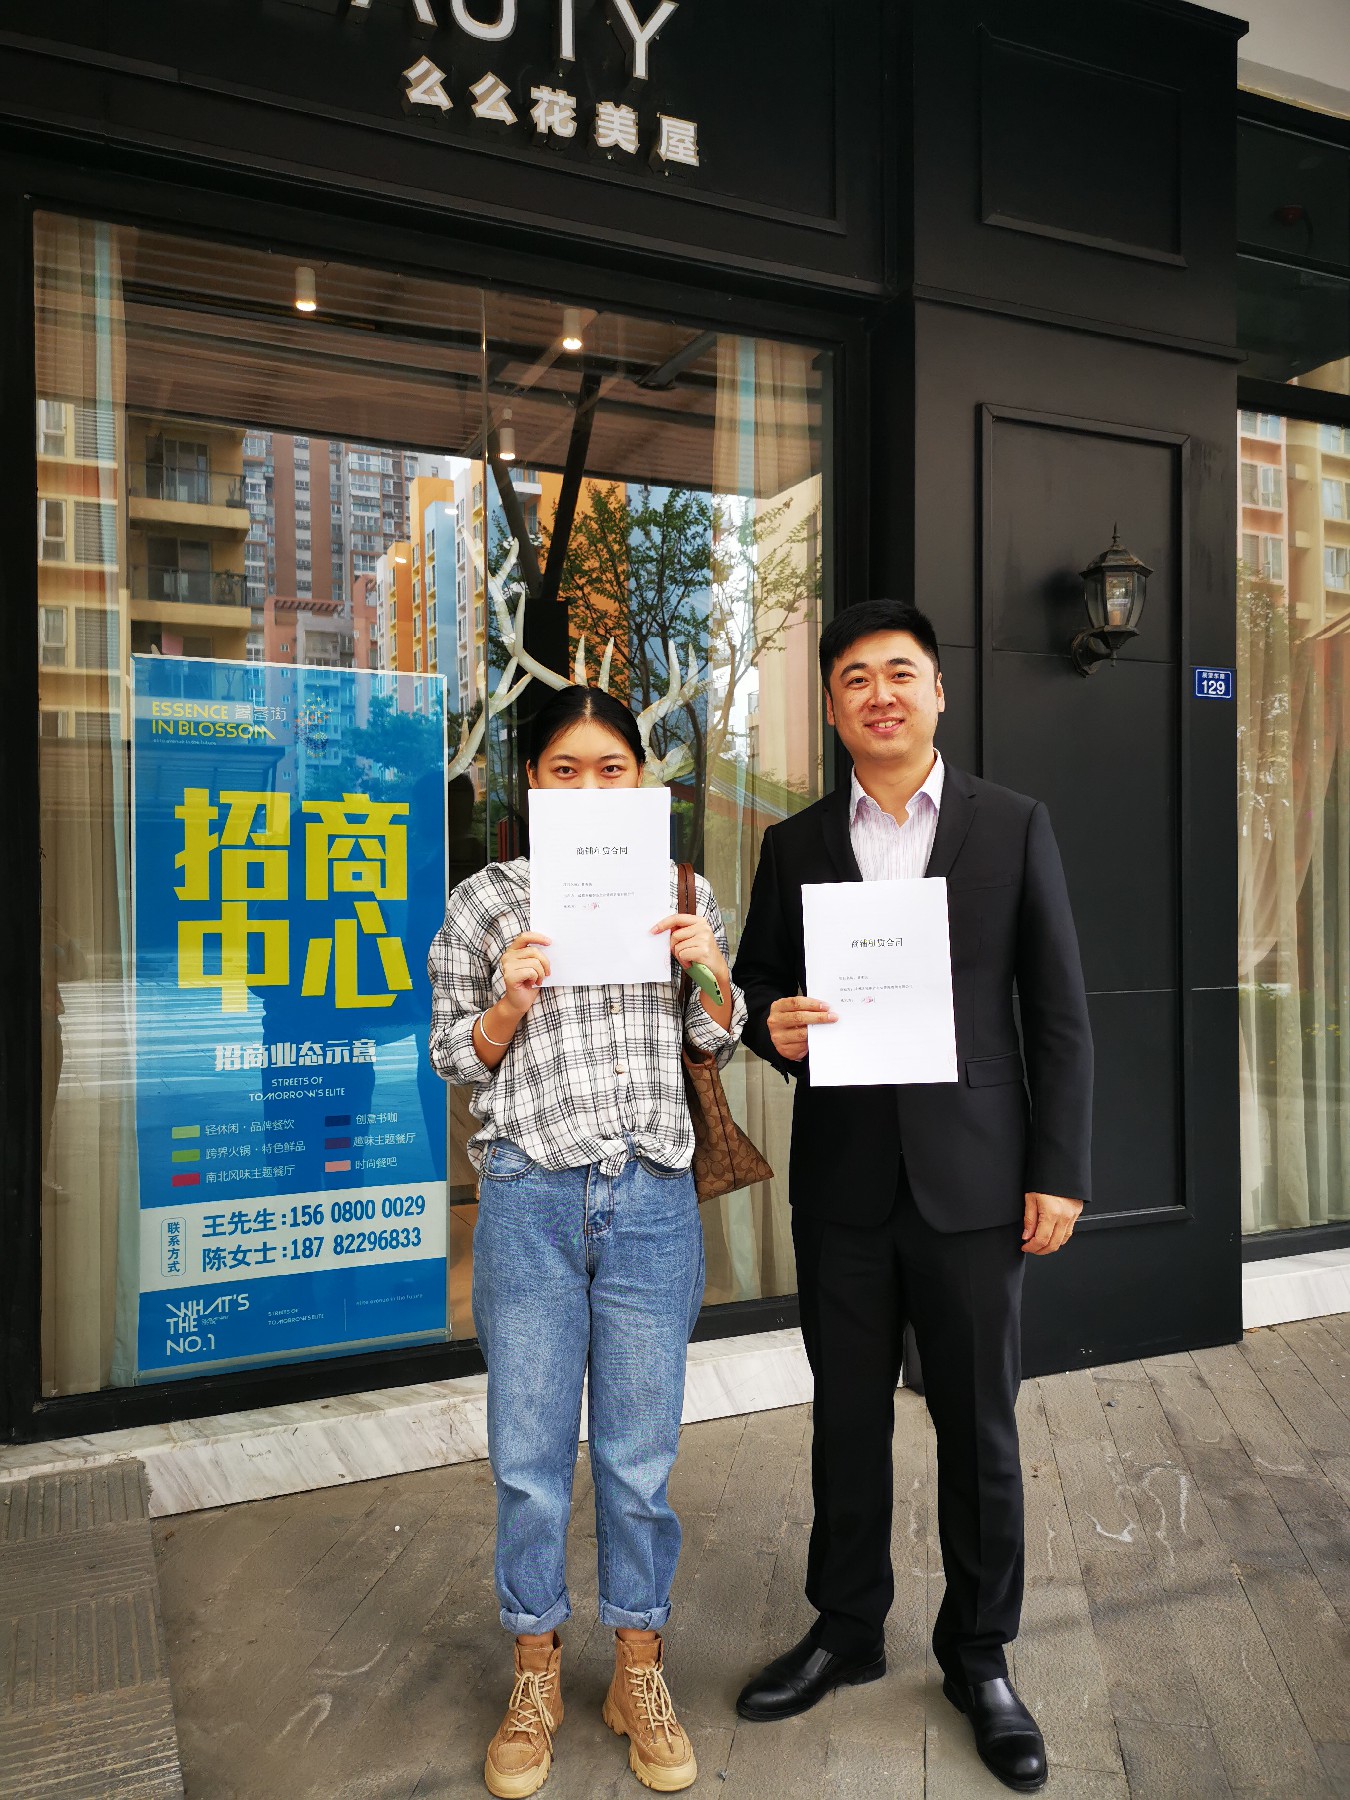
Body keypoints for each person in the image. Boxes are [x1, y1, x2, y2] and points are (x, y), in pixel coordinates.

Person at [731, 600, 1092, 1794]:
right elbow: (758, 989)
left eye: (900, 673)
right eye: (854, 679)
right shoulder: (793, 844)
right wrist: (774, 1029)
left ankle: (979, 1656)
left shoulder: (1014, 825)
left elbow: (1058, 1013)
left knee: (979, 1427)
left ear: (938, 691)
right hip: (844, 1186)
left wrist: (1060, 1169)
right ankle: (846, 1626)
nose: (878, 694)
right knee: (846, 1419)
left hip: (978, 1184)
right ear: (833, 710)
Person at [428, 684, 746, 1799]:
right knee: (527, 1460)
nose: (591, 785)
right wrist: (507, 1003)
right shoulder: (485, 901)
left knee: (638, 1458)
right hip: (529, 1195)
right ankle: (536, 1675)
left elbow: (716, 1037)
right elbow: (451, 1056)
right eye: (565, 768)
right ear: (532, 782)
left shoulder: (683, 891)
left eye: (612, 767)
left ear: (640, 779)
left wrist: (708, 967)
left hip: (652, 1197)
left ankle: (638, 1672)